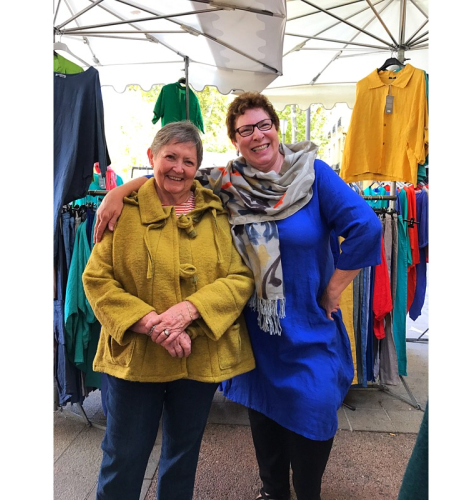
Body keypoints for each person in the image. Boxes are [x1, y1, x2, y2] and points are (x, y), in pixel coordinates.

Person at [94, 93, 383, 500]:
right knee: (262, 416)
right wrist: (119, 191)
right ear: (235, 140)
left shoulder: (311, 175)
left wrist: (334, 288)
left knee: (314, 411)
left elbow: (366, 228)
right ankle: (272, 492)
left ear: (277, 128)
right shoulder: (228, 183)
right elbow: (174, 175)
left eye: (264, 125)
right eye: (246, 130)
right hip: (256, 330)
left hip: (307, 323)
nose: (257, 135)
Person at [82, 121, 256, 500]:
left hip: (198, 357)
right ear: (152, 157)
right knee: (123, 456)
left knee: (182, 457)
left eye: (188, 161)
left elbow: (241, 277)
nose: (178, 168)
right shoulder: (122, 212)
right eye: (170, 157)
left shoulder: (218, 213)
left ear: (197, 168)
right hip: (135, 360)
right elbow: (96, 279)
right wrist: (149, 323)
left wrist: (190, 311)